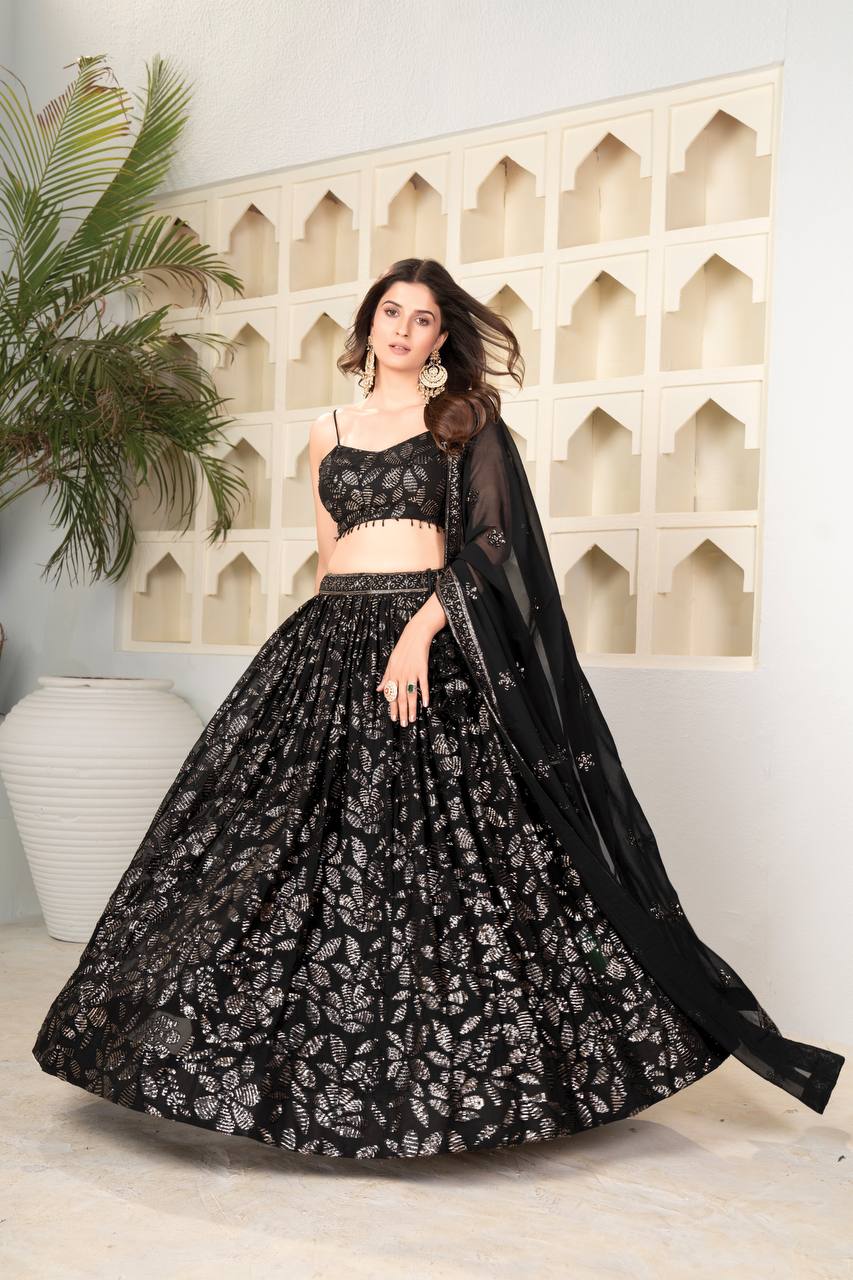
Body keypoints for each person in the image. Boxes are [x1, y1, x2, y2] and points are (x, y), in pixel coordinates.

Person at [32, 258, 844, 1160]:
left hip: (428, 641)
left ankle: (460, 1075)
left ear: (440, 338)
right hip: (329, 641)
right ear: (368, 323)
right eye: (390, 312)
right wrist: (314, 658)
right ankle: (281, 1072)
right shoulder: (326, 430)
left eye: (421, 319)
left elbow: (491, 542)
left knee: (451, 859)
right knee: (269, 850)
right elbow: (328, 555)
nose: (402, 329)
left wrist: (421, 631)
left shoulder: (463, 421)